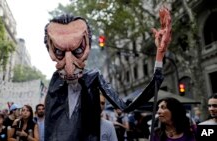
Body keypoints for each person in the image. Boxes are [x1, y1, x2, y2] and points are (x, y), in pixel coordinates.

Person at [44, 7, 171, 141]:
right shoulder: (55, 81)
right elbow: (50, 127)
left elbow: (125, 106)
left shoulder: (93, 77)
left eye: (78, 49)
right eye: (59, 52)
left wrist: (159, 55)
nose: (69, 65)